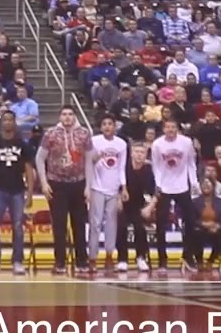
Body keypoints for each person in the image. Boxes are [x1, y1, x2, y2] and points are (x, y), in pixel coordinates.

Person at [36, 106, 92, 274]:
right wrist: (44, 183)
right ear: (60, 116)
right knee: (59, 225)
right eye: (64, 114)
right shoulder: (51, 134)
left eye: (70, 114)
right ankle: (59, 262)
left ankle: (81, 261)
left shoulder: (84, 134)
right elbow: (39, 158)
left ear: (74, 117)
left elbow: (89, 161)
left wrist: (89, 186)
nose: (67, 117)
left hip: (78, 183)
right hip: (57, 184)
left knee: (79, 225)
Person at [0, 111, 34, 275]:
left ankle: (17, 261)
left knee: (18, 227)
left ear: (14, 122)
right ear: (2, 123)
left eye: (10, 120)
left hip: (17, 190)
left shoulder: (22, 143)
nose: (7, 122)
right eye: (4, 120)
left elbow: (28, 169)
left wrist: (30, 192)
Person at [149, 119, 200, 273]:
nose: (170, 129)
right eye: (167, 127)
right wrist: (158, 184)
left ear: (178, 129)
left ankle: (188, 256)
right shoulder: (157, 144)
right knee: (160, 225)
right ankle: (162, 261)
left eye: (173, 127)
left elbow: (191, 163)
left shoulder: (186, 142)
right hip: (164, 187)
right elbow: (156, 166)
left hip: (182, 186)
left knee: (191, 221)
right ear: (163, 129)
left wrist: (194, 182)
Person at [87, 114, 128, 272]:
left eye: (110, 123)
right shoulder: (94, 141)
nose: (107, 127)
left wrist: (123, 187)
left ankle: (109, 255)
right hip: (97, 187)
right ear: (101, 126)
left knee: (112, 224)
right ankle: (92, 257)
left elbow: (121, 167)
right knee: (95, 224)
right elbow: (88, 163)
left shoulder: (121, 144)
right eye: (104, 124)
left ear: (114, 126)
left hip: (113, 188)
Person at [115, 144, 155, 273]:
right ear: (131, 153)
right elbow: (114, 185)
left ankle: (141, 258)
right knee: (121, 226)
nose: (139, 154)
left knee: (140, 228)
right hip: (122, 204)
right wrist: (118, 199)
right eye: (136, 152)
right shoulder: (124, 167)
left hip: (138, 205)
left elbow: (154, 191)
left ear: (146, 155)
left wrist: (149, 207)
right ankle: (122, 259)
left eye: (142, 152)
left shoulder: (148, 170)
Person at [188, 178, 221, 269]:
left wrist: (217, 226)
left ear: (213, 186)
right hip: (200, 230)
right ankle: (199, 261)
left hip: (216, 230)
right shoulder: (194, 202)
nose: (206, 186)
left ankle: (211, 261)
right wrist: (204, 225)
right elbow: (191, 219)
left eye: (208, 184)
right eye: (204, 184)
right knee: (195, 234)